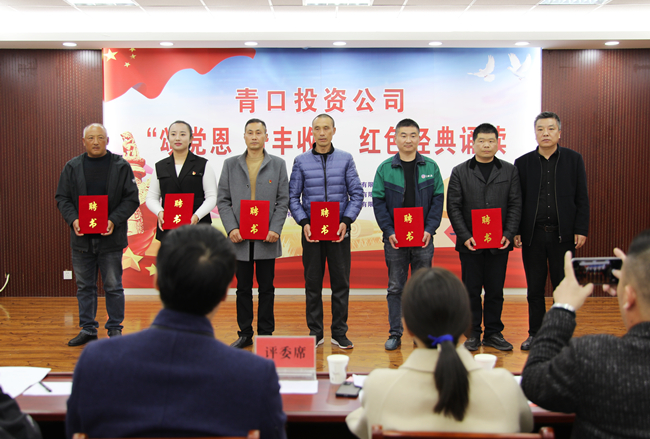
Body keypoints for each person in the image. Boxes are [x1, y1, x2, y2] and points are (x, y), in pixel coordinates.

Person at [66, 225, 287, 439]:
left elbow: (74, 429)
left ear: (157, 282)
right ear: (224, 292)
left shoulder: (96, 361)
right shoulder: (256, 375)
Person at [345, 267, 533, 439]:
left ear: (407, 326)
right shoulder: (505, 387)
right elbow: (527, 426)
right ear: (466, 321)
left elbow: (359, 429)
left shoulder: (379, 387)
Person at [521, 230, 650, 438]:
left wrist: (562, 309)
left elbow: (534, 382)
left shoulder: (593, 356)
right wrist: (638, 280)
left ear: (629, 296)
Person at [55, 123, 139, 346]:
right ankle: (88, 329)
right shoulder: (72, 167)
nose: (95, 142)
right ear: (83, 141)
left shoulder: (121, 166)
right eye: (91, 138)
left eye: (100, 138)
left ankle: (115, 328)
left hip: (111, 239)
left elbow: (131, 199)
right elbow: (62, 198)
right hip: (82, 240)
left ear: (107, 141)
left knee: (113, 286)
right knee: (85, 287)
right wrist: (73, 219)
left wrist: (113, 220)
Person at [514, 111, 589, 351]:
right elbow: (517, 200)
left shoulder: (573, 160)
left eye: (550, 129)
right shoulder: (523, 163)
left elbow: (582, 197)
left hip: (562, 235)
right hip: (533, 236)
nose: (545, 133)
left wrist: (581, 228)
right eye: (540, 129)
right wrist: (517, 230)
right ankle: (535, 334)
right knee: (534, 289)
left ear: (559, 132)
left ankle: (560, 335)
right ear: (535, 133)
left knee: (562, 288)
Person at [289, 114, 363, 349]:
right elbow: (293, 197)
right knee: (313, 284)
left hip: (339, 231)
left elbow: (356, 194)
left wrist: (346, 221)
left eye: (326, 128)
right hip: (312, 232)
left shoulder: (345, 159)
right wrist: (304, 222)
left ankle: (339, 332)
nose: (322, 133)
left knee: (341, 283)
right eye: (317, 129)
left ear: (333, 131)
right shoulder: (301, 161)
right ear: (312, 132)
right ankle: (315, 332)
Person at [447, 123, 522, 352]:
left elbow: (515, 204)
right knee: (470, 290)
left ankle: (493, 333)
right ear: (473, 143)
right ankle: (472, 333)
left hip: (499, 243)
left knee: (495, 290)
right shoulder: (460, 171)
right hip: (470, 244)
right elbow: (453, 207)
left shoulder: (509, 170)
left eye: (491, 141)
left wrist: (508, 234)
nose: (486, 145)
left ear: (498, 143)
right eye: (481, 141)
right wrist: (465, 236)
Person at [372, 118, 444, 350]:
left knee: (424, 288)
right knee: (395, 288)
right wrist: (389, 231)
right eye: (403, 135)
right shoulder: (385, 168)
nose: (408, 140)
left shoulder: (431, 167)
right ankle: (395, 333)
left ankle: (422, 333)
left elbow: (438, 201)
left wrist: (429, 229)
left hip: (423, 239)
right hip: (395, 240)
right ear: (395, 139)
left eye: (413, 135)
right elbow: (378, 203)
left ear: (419, 138)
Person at [217, 118, 289, 349]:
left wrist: (275, 228)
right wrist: (231, 228)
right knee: (243, 288)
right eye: (250, 132)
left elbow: (283, 200)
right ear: (244, 136)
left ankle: (266, 334)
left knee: (267, 288)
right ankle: (245, 333)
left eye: (259, 132)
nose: (255, 136)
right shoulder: (230, 164)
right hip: (240, 237)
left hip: (267, 236)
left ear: (266, 136)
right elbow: (223, 200)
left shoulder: (278, 164)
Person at [146, 120, 217, 241]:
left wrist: (197, 215)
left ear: (191, 139)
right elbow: (151, 198)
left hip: (198, 227)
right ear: (168, 138)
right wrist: (160, 212)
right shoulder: (160, 166)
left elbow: (212, 197)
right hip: (168, 227)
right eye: (173, 134)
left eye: (183, 134)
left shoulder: (203, 164)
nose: (177, 138)